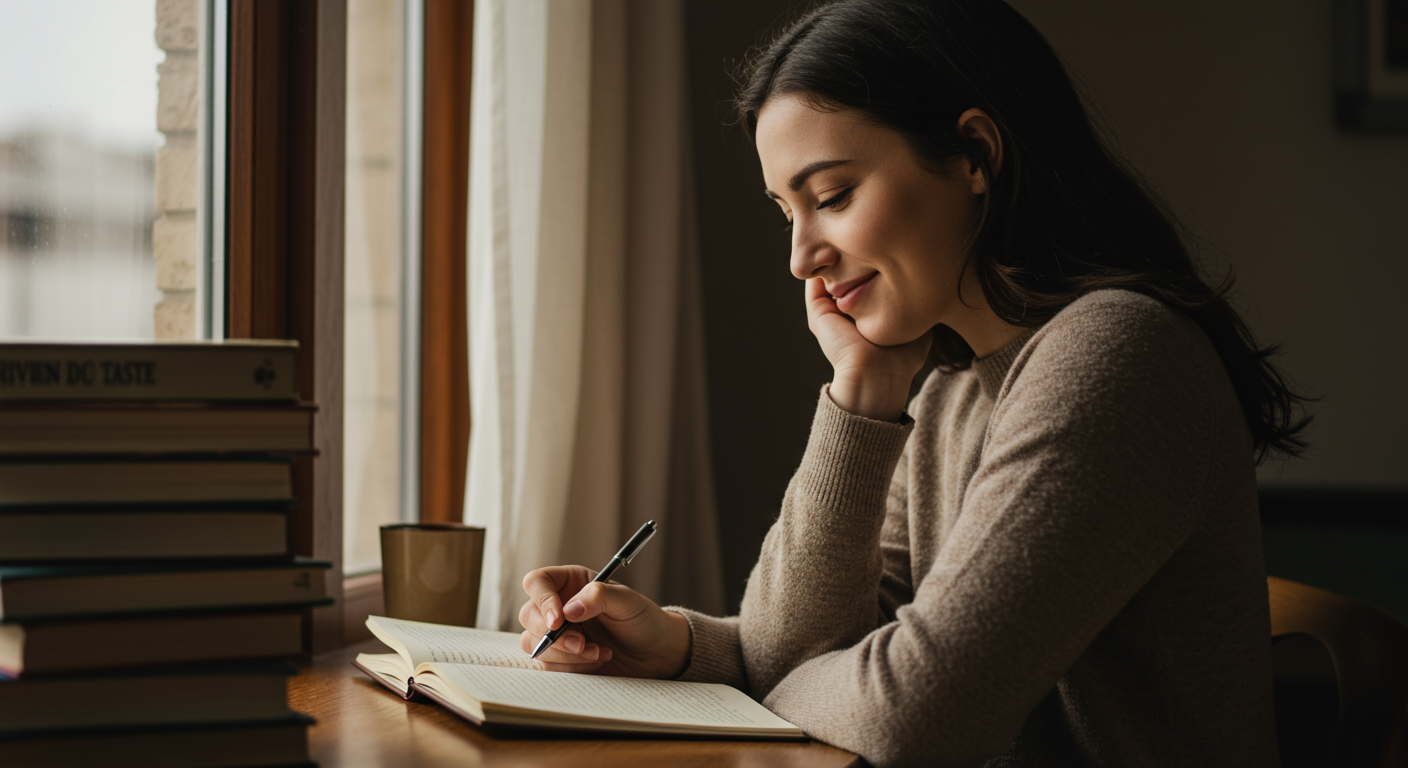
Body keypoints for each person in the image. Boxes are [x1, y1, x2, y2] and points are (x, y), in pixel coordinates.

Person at [517, 0, 1308, 765]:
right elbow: (817, 652)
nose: (801, 259)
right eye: (787, 213)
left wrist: (773, 684)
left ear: (975, 155)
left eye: (832, 197)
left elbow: (918, 711)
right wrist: (860, 397)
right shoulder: (950, 391)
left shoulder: (1116, 356)